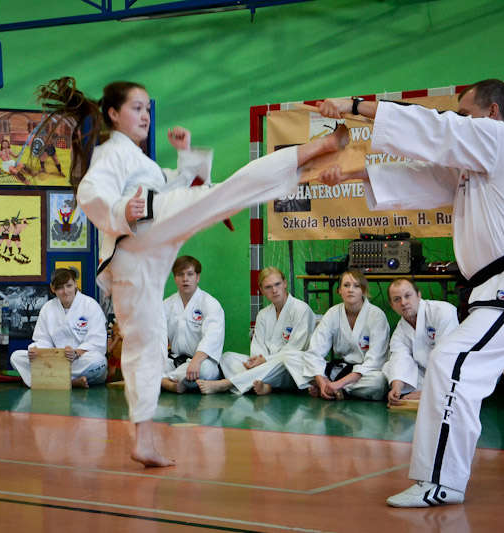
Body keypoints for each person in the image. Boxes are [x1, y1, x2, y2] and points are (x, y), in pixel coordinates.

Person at [317, 79, 504, 508]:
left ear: (492, 112)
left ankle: (440, 481)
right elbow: (422, 179)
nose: (459, 121)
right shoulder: (475, 166)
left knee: (451, 361)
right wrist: (350, 172)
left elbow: (438, 128)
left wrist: (354, 105)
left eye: (466, 113)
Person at [35, 77, 348, 467]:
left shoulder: (141, 161)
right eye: (136, 108)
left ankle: (143, 440)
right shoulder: (110, 153)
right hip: (139, 234)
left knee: (145, 341)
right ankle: (312, 154)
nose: (145, 116)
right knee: (225, 193)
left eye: (147, 109)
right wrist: (121, 210)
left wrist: (185, 157)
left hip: (140, 253)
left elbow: (172, 186)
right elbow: (89, 191)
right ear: (113, 114)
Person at [197, 266, 316, 395]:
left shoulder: (301, 309)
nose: (274, 290)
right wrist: (258, 361)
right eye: (268, 287)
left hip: (290, 369)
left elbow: (296, 349)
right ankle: (266, 386)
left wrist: (265, 360)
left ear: (285, 283)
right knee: (227, 358)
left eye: (277, 284)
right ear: (262, 290)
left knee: (288, 358)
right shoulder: (263, 314)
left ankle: (227, 383)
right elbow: (258, 347)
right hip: (266, 368)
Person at [10, 268, 107, 388]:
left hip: (79, 360)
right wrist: (36, 351)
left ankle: (49, 381)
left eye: (69, 286)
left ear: (75, 284)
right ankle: (71, 382)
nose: (65, 292)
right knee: (17, 357)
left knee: (99, 362)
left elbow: (97, 343)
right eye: (60, 288)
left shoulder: (91, 306)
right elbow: (43, 340)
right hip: (54, 360)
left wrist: (75, 353)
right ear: (52, 288)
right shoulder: (48, 308)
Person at [306, 268, 389, 401]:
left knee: (379, 382)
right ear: (339, 290)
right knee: (297, 359)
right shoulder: (333, 313)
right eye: (346, 285)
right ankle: (328, 387)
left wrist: (339, 384)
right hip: (341, 369)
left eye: (356, 286)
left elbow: (375, 360)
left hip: (365, 373)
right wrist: (322, 381)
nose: (351, 290)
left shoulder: (376, 315)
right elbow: (315, 351)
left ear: (363, 290)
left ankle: (340, 390)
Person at [384, 279, 458, 407]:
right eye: (397, 299)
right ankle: (428, 392)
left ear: (418, 295)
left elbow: (448, 356)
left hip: (451, 371)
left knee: (457, 379)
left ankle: (434, 393)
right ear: (392, 305)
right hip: (428, 374)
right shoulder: (400, 332)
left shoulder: (442, 311)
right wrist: (396, 388)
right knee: (389, 367)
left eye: (408, 296)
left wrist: (428, 392)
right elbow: (400, 358)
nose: (403, 302)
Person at [161, 256, 224, 393]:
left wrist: (196, 361)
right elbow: (158, 337)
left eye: (190, 274)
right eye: (180, 274)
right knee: (145, 363)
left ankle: (163, 381)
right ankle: (171, 382)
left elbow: (212, 338)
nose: (185, 279)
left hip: (201, 361)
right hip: (175, 360)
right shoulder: (166, 305)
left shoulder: (210, 304)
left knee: (204, 370)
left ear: (197, 277)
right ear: (175, 278)